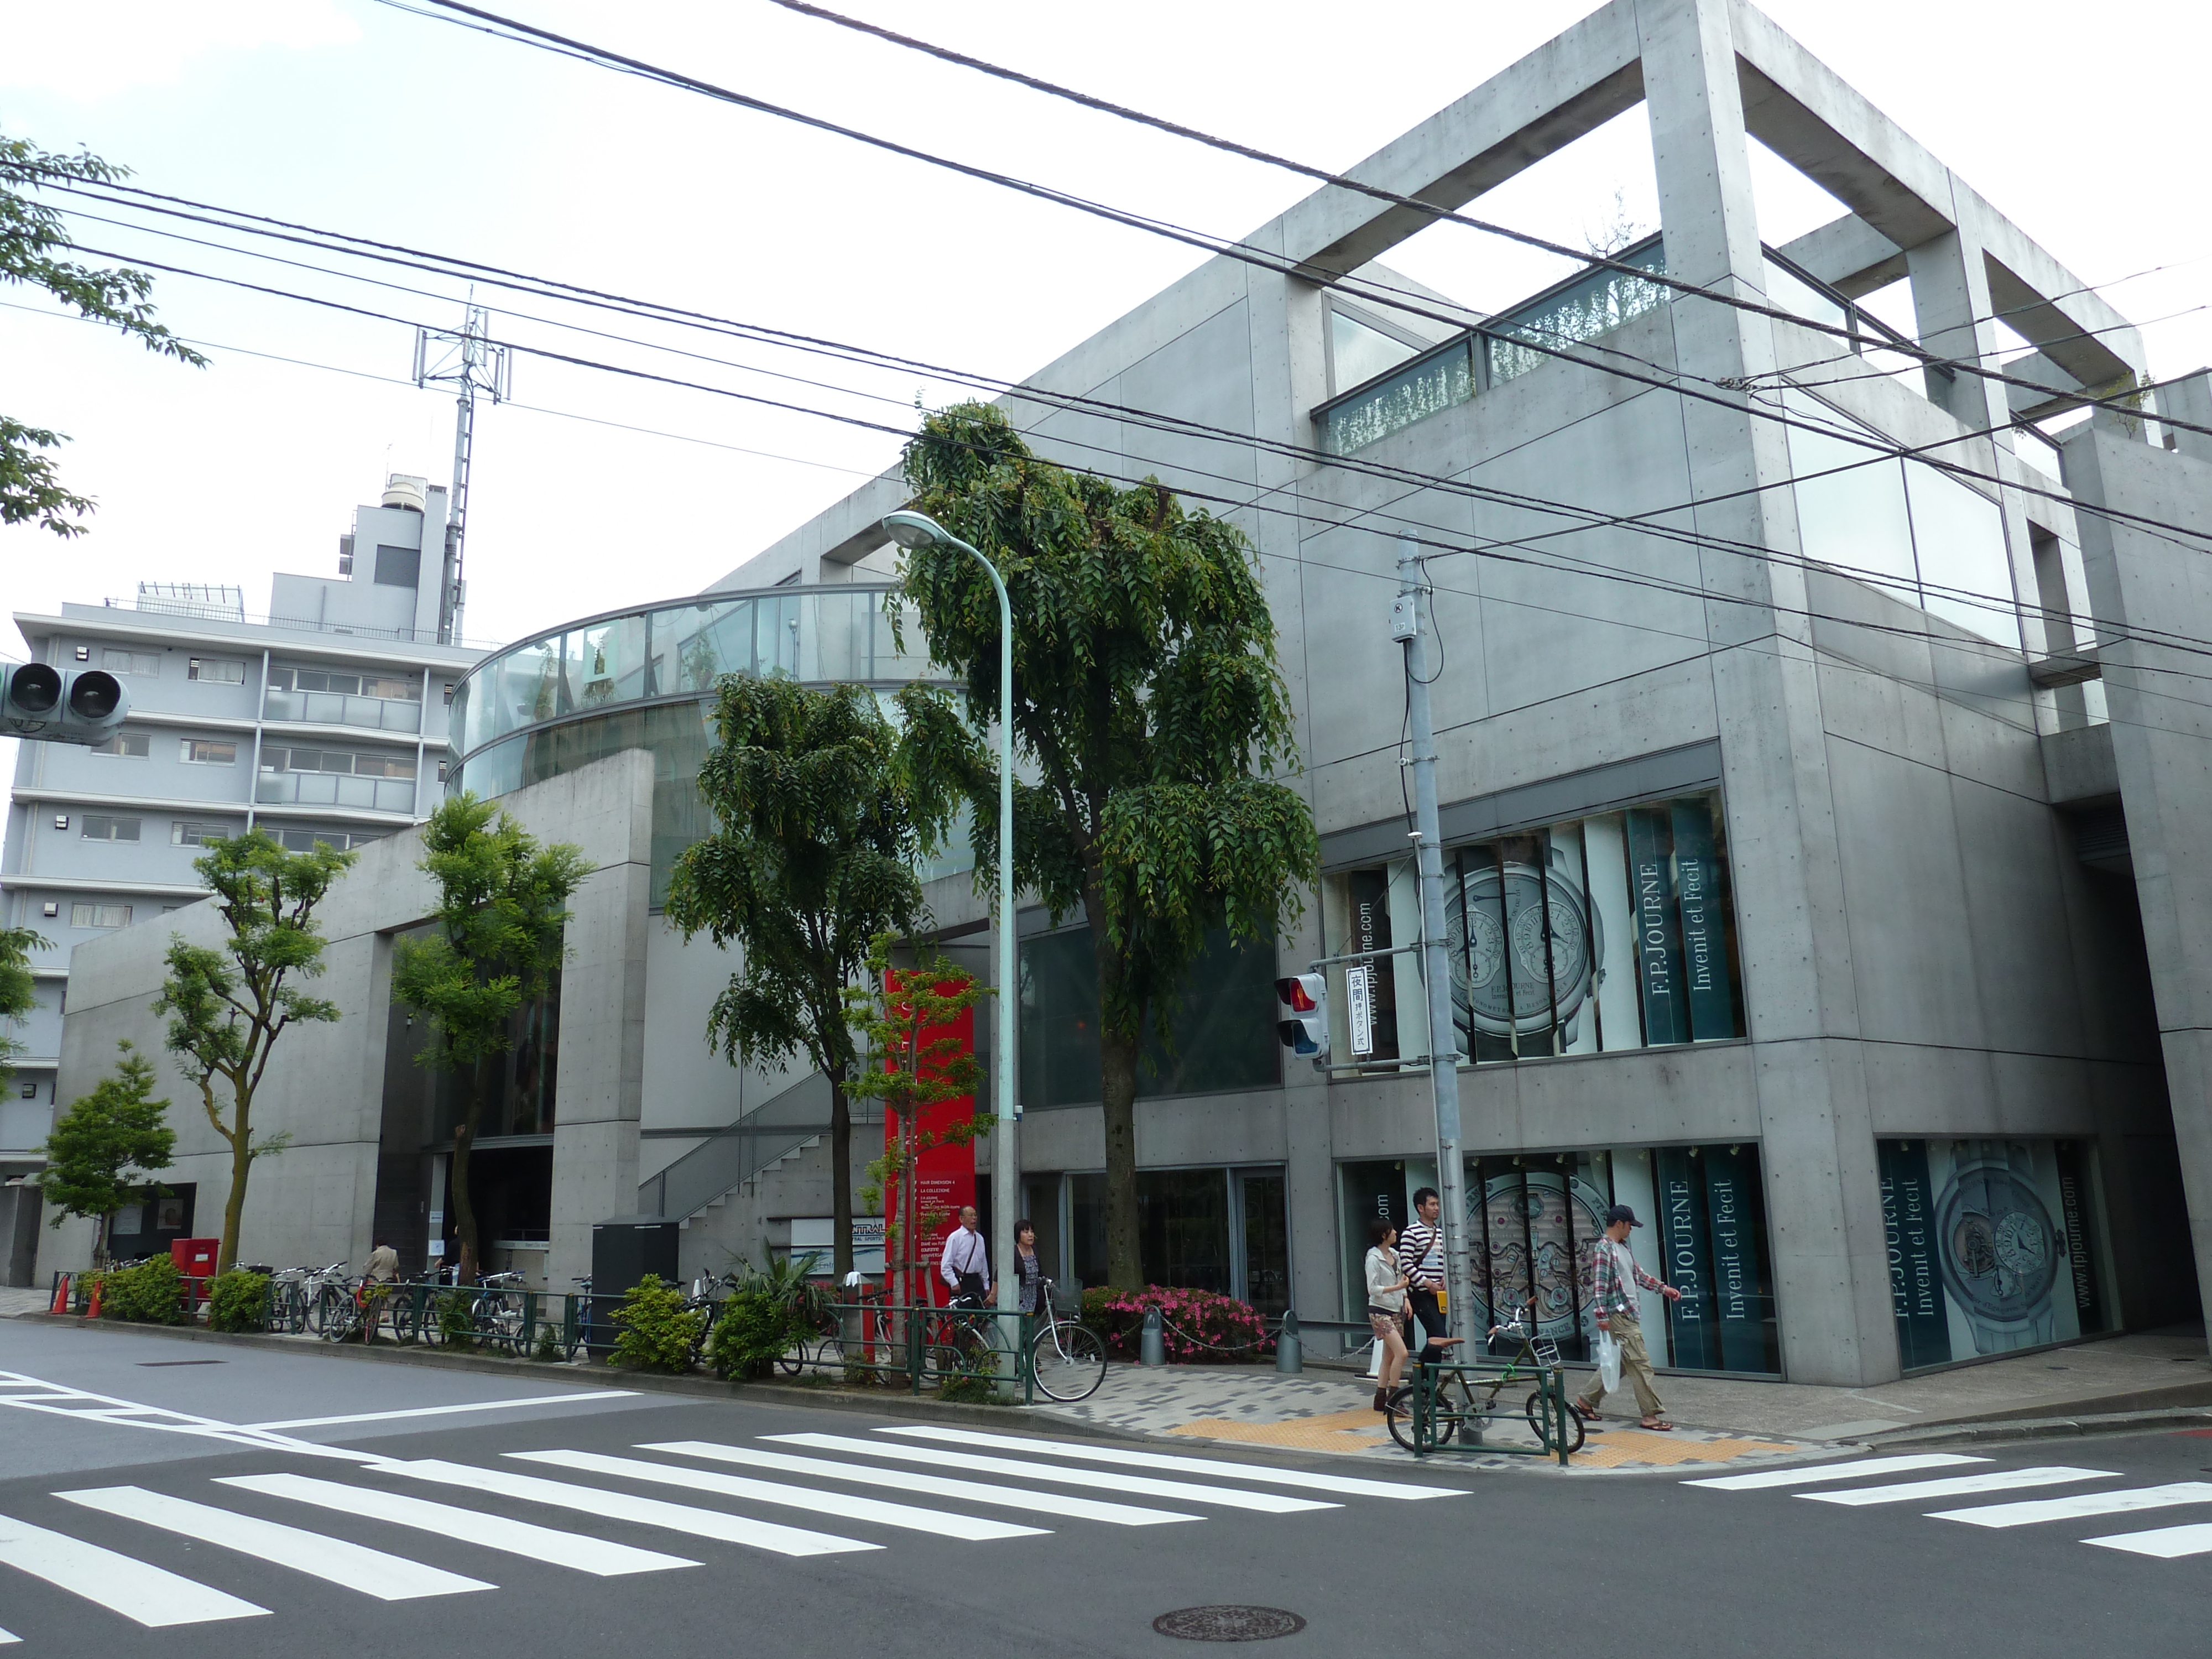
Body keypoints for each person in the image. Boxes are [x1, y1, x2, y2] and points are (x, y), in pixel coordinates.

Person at [1573, 1204, 1683, 1432]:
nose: (1631, 1230)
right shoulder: (1604, 1249)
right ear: (1619, 1224)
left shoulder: (1621, 1248)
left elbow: (1639, 1276)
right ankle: (1650, 1415)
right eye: (1630, 1225)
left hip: (1626, 1315)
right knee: (1641, 1364)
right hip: (1620, 1316)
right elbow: (1599, 1286)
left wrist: (1664, 1289)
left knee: (1620, 1363)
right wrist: (1602, 1316)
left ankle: (1586, 1401)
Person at [1364, 1216, 1410, 1411]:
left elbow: (1402, 1279)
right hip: (1380, 1311)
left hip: (1396, 1309)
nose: (1395, 1233)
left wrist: (1406, 1298)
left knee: (1389, 1356)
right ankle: (1395, 1398)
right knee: (1403, 1353)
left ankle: (1380, 1398)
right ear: (1384, 1235)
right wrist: (1397, 1287)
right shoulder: (1373, 1258)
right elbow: (1372, 1289)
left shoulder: (1395, 1255)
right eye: (1392, 1231)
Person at [1396, 1187, 1447, 1354]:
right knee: (1439, 1335)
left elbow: (1445, 1260)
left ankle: (1428, 1376)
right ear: (1421, 1208)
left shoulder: (1441, 1233)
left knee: (1439, 1338)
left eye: (1437, 1204)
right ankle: (1422, 1373)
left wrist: (1445, 1276)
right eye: (1432, 1204)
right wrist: (1427, 1283)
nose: (1436, 1208)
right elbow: (1406, 1264)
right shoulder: (1411, 1233)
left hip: (1440, 1293)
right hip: (1420, 1292)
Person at [940, 1205, 992, 1306]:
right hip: (962, 1281)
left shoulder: (980, 1238)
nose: (974, 1218)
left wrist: (986, 1284)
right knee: (962, 1317)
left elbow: (983, 1264)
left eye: (975, 1215)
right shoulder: (955, 1237)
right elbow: (946, 1265)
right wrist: (954, 1283)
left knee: (982, 1316)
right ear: (961, 1219)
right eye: (970, 1216)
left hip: (977, 1281)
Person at [1011, 1219, 1047, 1323]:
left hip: (1035, 1296)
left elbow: (1039, 1270)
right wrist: (993, 1294)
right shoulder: (1014, 1252)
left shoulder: (1035, 1250)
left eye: (1032, 1232)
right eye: (1026, 1232)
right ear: (1019, 1235)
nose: (1030, 1235)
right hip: (1020, 1298)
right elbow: (999, 1273)